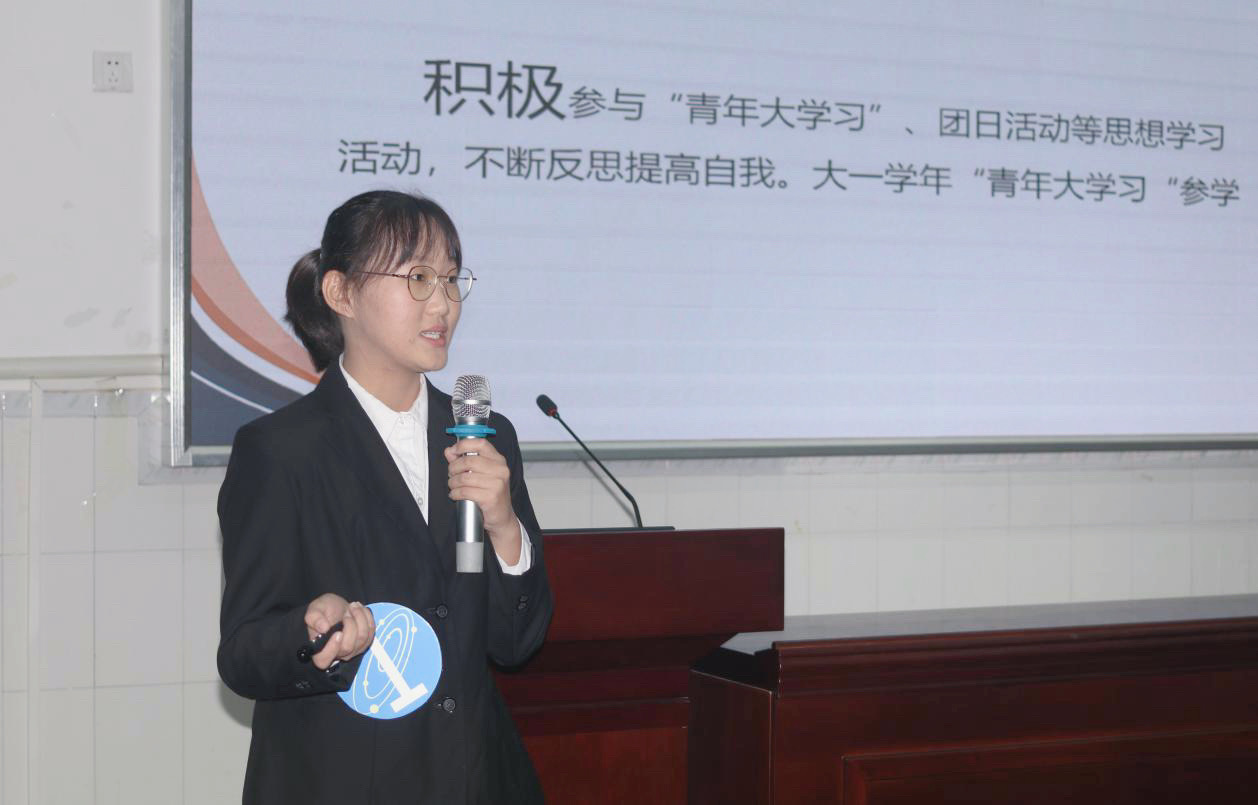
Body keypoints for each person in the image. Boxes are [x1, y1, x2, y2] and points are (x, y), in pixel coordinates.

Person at [216, 190, 552, 804]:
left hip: (475, 777)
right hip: (344, 781)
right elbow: (242, 655)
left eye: (452, 279)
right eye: (418, 278)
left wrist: (505, 528)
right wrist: (311, 631)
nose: (443, 303)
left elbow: (514, 643)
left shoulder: (482, 436)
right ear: (341, 293)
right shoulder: (281, 451)